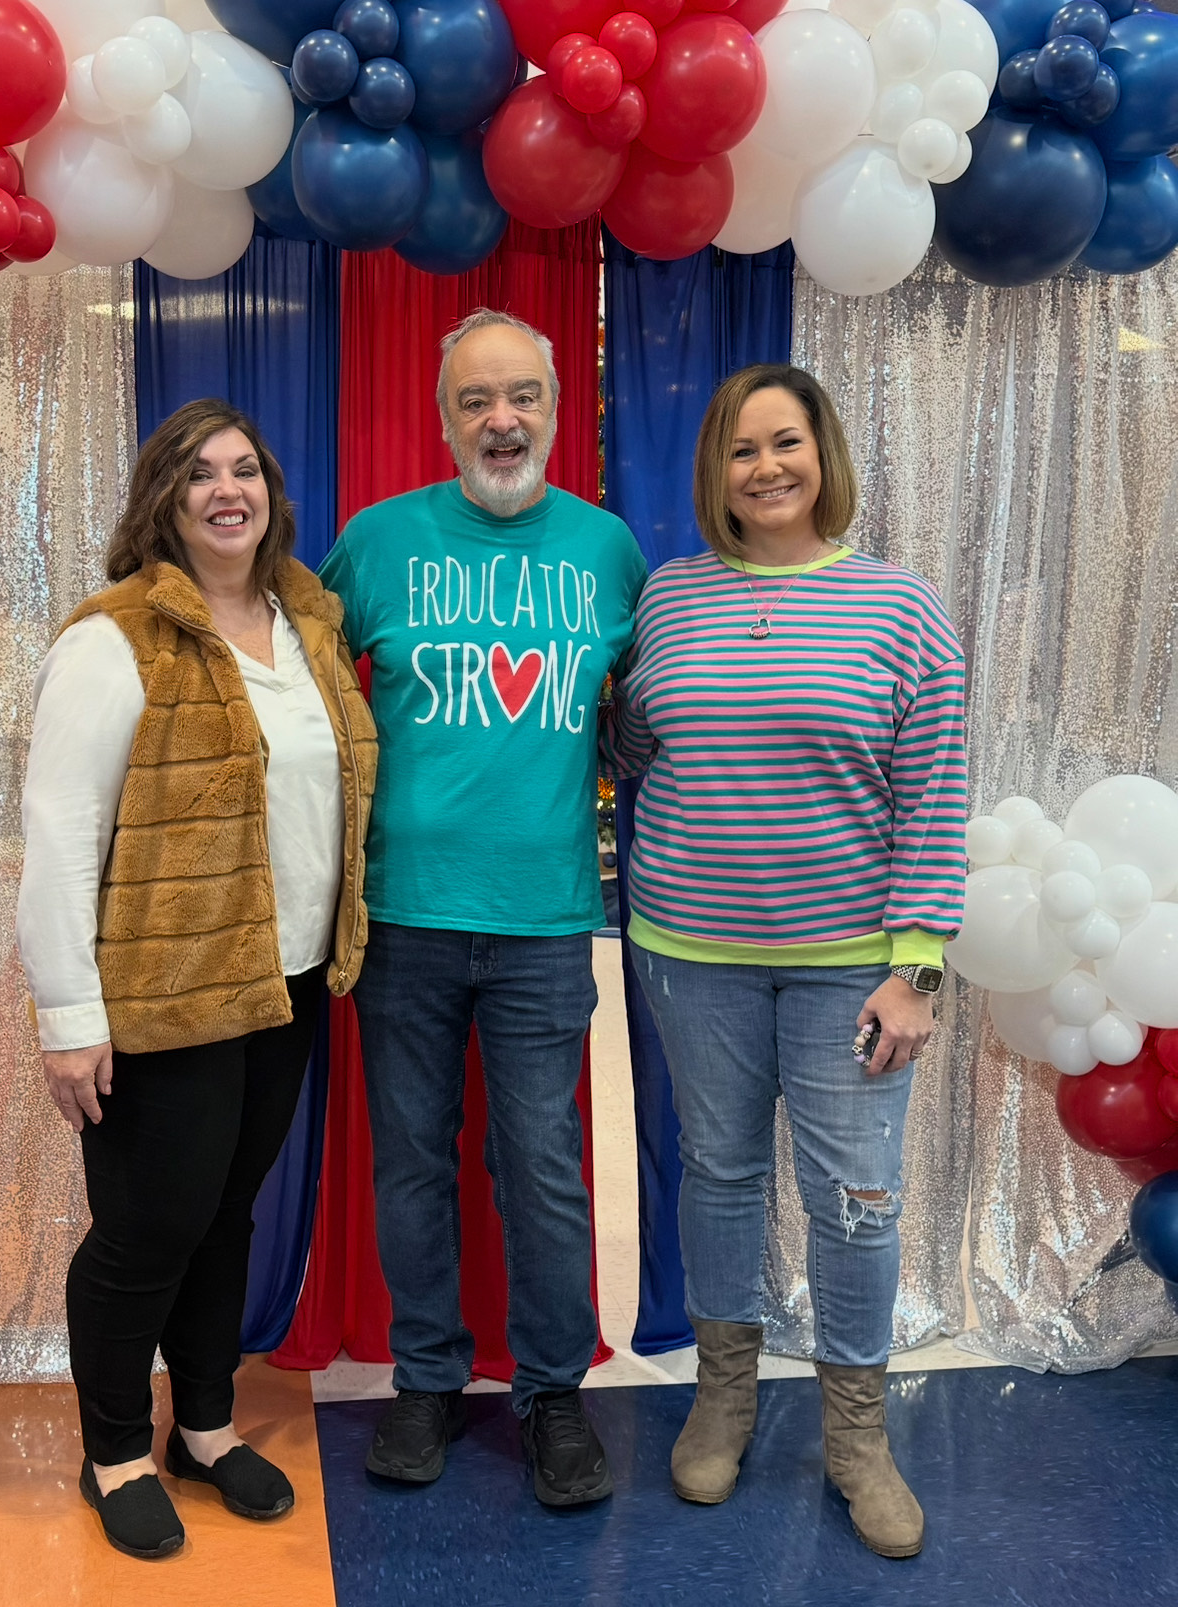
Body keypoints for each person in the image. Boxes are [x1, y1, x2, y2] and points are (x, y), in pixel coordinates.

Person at [601, 365, 966, 1557]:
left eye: (785, 442)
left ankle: (856, 1433)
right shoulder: (669, 599)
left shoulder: (900, 608)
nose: (765, 467)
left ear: (823, 454)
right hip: (688, 951)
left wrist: (918, 972)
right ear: (715, 471)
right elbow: (637, 747)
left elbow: (933, 797)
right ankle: (725, 1392)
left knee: (857, 1204)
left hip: (849, 967)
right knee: (717, 1174)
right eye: (741, 449)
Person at [16, 399, 377, 1560]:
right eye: (199, 476)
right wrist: (70, 1019)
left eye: (246, 470)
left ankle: (204, 1428)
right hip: (161, 992)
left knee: (227, 1216)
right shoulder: (115, 637)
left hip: (283, 984)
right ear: (162, 503)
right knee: (145, 1228)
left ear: (271, 490)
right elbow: (62, 835)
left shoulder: (306, 622)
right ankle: (115, 1444)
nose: (230, 490)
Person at [318, 309, 646, 1506]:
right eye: (475, 400)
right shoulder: (377, 542)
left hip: (548, 922)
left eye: (522, 397)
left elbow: (647, 718)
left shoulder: (610, 551)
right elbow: (297, 687)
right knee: (410, 1161)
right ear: (445, 413)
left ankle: (553, 1391)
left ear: (557, 409)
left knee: (544, 1166)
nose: (501, 420)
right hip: (402, 917)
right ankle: (424, 1378)